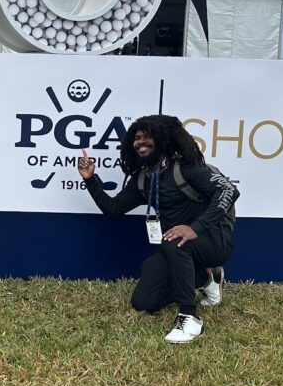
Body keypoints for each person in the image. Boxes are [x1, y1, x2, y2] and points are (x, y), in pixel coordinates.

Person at [77, 114, 239, 344]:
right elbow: (113, 208)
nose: (140, 142)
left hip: (213, 240)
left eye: (147, 137)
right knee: (144, 302)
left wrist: (195, 228)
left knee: (175, 241)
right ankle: (206, 278)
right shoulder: (144, 178)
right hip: (176, 247)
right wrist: (90, 179)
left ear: (163, 139)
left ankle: (190, 318)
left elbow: (229, 192)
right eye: (136, 138)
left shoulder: (187, 166)